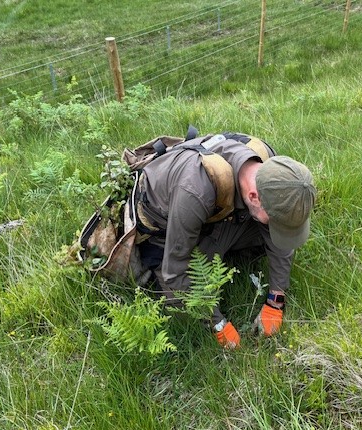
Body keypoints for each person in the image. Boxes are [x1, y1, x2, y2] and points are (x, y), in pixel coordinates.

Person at [134, 131, 316, 349]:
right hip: (167, 226)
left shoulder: (274, 170)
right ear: (254, 197)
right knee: (180, 301)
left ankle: (223, 246)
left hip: (216, 214)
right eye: (275, 221)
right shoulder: (195, 192)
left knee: (266, 232)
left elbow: (280, 239)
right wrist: (217, 323)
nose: (276, 227)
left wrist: (275, 301)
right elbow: (176, 271)